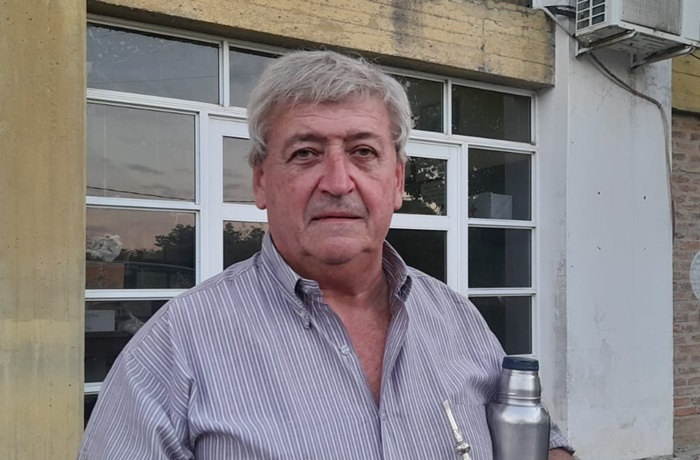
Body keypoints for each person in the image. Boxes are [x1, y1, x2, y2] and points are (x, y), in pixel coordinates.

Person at [79, 50, 574, 459]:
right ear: (261, 181)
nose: (338, 183)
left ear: (396, 181)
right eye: (306, 153)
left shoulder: (457, 318)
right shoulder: (175, 348)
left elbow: (541, 444)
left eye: (363, 152)